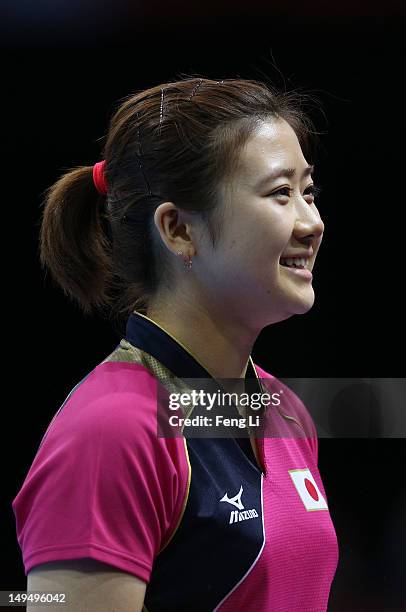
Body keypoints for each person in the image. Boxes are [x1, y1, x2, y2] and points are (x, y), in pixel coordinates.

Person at [12, 76, 339, 611]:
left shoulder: (285, 412)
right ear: (179, 230)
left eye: (309, 191)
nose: (313, 222)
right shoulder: (110, 432)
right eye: (281, 193)